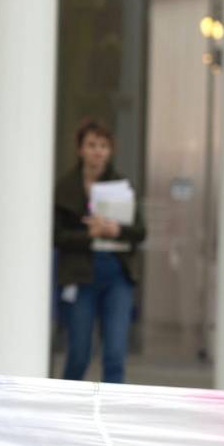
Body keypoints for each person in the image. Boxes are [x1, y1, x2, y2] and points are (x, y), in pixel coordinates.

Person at [53, 119, 145, 384]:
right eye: (92, 145)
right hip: (80, 275)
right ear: (80, 149)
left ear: (110, 150)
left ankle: (112, 415)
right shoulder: (65, 188)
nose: (98, 151)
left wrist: (116, 230)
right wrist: (88, 235)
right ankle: (66, 409)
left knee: (115, 354)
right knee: (79, 353)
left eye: (103, 146)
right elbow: (57, 236)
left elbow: (140, 231)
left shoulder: (122, 185)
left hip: (117, 273)